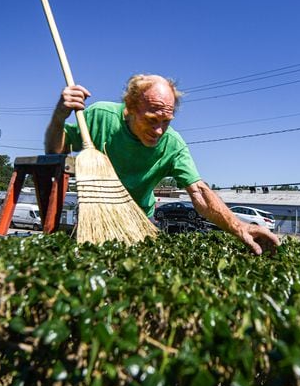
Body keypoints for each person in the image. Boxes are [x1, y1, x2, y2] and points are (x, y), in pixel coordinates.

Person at [45, 74, 279, 255]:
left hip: (140, 220)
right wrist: (59, 116)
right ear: (131, 106)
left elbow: (200, 193)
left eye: (165, 122)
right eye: (151, 120)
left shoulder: (173, 145)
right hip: (96, 218)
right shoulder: (101, 116)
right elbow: (54, 152)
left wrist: (241, 228)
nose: (158, 131)